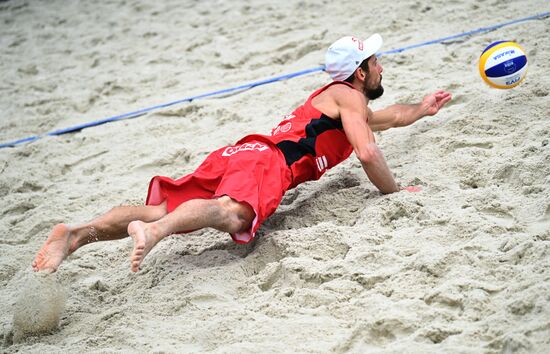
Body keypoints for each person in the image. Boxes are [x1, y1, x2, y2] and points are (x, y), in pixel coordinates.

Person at [32, 34, 452, 273]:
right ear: (361, 72)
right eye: (377, 62)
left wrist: (422, 109)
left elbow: (386, 119)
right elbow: (367, 152)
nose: (383, 68)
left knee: (161, 209)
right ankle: (154, 236)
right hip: (269, 163)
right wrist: (394, 192)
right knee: (234, 214)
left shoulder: (343, 102)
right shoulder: (351, 100)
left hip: (243, 151)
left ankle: (76, 235)